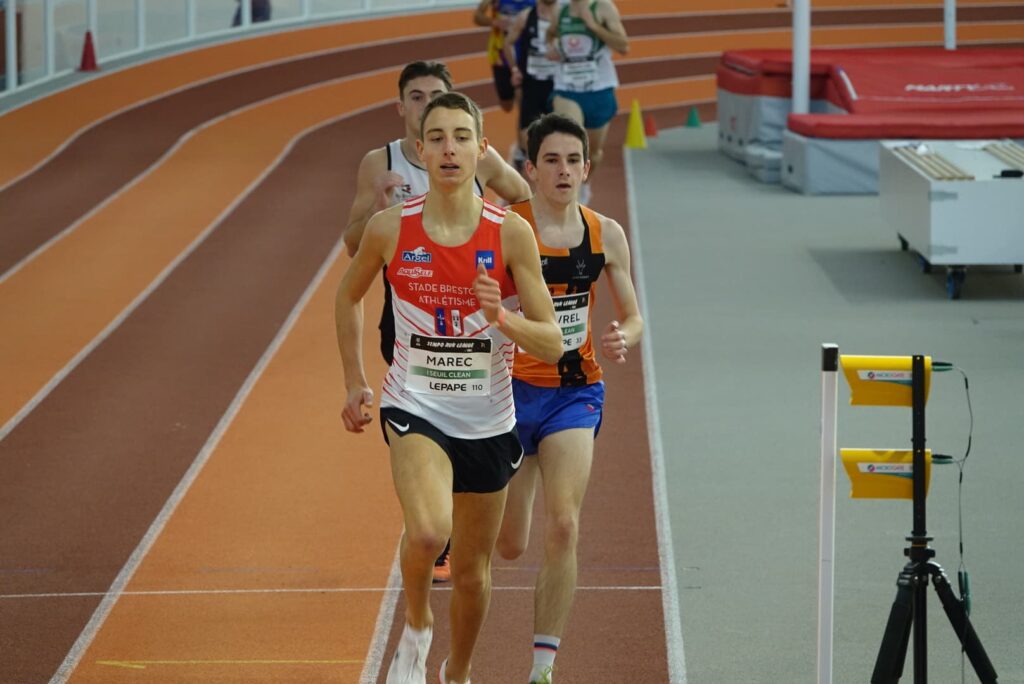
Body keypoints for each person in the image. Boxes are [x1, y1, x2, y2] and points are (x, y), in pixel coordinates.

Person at [336, 92, 563, 684]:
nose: (449, 149)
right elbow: (347, 295)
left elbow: (552, 344)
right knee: (431, 530)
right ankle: (415, 629)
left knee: (472, 572)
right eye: (436, 138)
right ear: (419, 149)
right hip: (414, 404)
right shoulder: (390, 229)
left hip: (487, 419)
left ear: (481, 149)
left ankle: (457, 671)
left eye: (462, 137)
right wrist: (356, 380)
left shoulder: (511, 235)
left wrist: (503, 319)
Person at [343, 61, 530, 583]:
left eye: (438, 96)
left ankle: (441, 518)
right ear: (404, 109)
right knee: (423, 407)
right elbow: (353, 242)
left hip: (475, 310)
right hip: (407, 307)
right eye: (418, 97)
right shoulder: (379, 162)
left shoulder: (476, 155)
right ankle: (433, 526)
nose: (428, 105)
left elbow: (524, 198)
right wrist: (378, 205)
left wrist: (500, 238)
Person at [496, 113, 643, 684]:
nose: (563, 170)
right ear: (530, 169)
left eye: (572, 160)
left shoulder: (606, 233)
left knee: (564, 525)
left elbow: (633, 318)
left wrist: (621, 337)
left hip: (574, 393)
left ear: (587, 167)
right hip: (508, 394)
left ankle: (542, 669)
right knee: (509, 545)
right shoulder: (508, 226)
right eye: (551, 160)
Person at [545, 0, 629, 205]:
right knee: (571, 140)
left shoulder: (603, 8)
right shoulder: (561, 10)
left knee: (593, 152)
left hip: (598, 89)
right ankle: (568, 193)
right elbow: (550, 33)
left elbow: (623, 46)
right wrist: (553, 48)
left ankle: (584, 183)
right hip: (567, 88)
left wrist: (592, 25)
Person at [473, 0, 536, 160]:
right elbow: (478, 17)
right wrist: (494, 21)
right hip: (500, 55)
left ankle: (521, 148)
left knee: (523, 103)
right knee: (507, 104)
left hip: (526, 55)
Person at [501, 0, 559, 174]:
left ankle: (548, 166)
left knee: (557, 128)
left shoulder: (565, 15)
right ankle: (532, 159)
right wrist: (514, 70)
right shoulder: (526, 16)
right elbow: (508, 43)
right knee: (528, 132)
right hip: (532, 82)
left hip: (557, 83)